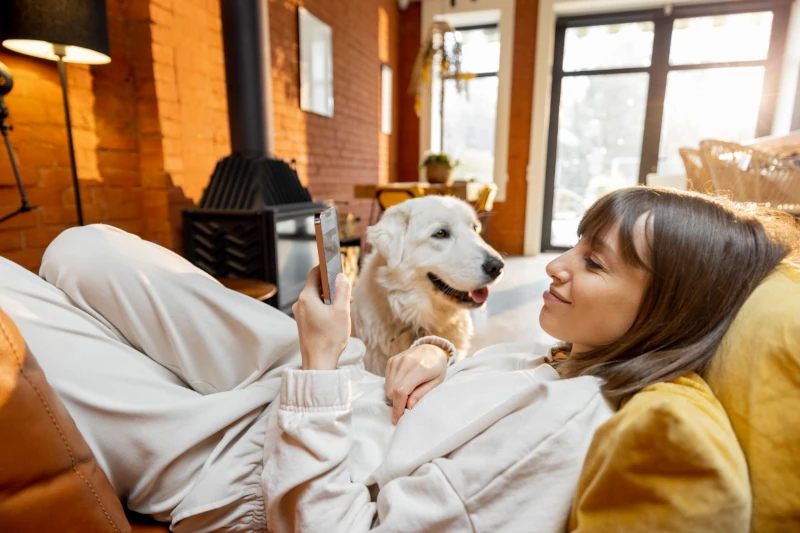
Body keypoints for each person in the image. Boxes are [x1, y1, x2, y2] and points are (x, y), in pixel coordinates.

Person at [0, 187, 795, 532]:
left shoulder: (565, 436)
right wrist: (436, 352)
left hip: (257, 468)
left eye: (593, 263)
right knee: (84, 247)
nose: (554, 265)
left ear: (665, 308)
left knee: (12, 300)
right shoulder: (575, 358)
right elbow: (478, 387)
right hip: (338, 380)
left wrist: (314, 366)